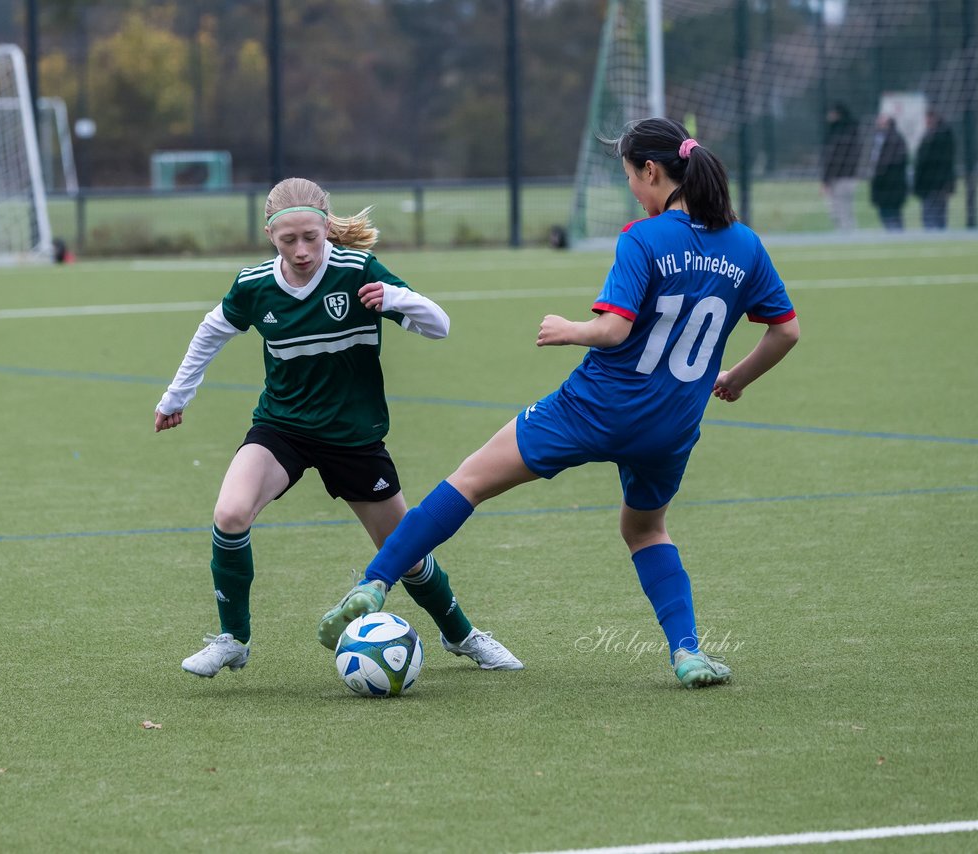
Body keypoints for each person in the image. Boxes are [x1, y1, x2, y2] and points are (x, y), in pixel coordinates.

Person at [319, 118, 801, 689]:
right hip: (671, 427)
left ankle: (375, 582)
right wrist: (737, 379)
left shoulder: (643, 239)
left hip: (594, 409)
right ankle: (687, 653)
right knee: (646, 530)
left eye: (630, 177)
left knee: (470, 481)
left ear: (653, 171)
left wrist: (569, 328)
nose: (631, 190)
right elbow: (786, 332)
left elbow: (615, 331)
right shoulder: (745, 244)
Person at [156, 177, 523, 678]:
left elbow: (439, 324)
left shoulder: (356, 270)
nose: (303, 250)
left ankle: (461, 635)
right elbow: (211, 329)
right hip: (282, 428)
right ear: (270, 236)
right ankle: (232, 639)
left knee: (406, 553)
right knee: (230, 512)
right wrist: (176, 397)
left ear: (327, 227)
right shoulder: (255, 285)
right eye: (289, 241)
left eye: (312, 237)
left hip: (354, 438)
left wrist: (395, 299)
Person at [821, 102, 862, 231]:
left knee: (840, 210)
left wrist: (825, 180)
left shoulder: (837, 134)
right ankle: (848, 233)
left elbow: (831, 159)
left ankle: (846, 235)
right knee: (846, 209)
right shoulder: (854, 132)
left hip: (839, 178)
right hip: (850, 177)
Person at [914, 110, 956, 230]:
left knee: (931, 215)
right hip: (937, 184)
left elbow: (925, 161)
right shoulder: (943, 135)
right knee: (937, 215)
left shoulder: (936, 137)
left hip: (933, 184)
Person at [868, 115, 908, 231]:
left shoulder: (894, 139)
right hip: (884, 186)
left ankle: (897, 236)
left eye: (881, 123)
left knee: (892, 214)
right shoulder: (879, 139)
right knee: (886, 214)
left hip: (891, 186)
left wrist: (880, 174)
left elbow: (891, 163)